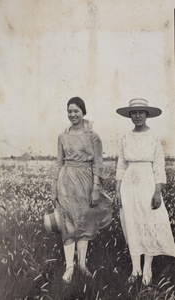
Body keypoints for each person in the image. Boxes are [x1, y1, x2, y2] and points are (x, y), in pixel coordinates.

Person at [51, 97, 112, 283]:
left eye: (76, 111)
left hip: (86, 182)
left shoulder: (93, 136)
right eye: (69, 111)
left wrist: (95, 188)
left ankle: (82, 264)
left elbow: (98, 163)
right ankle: (69, 266)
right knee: (67, 222)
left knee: (84, 221)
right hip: (66, 182)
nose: (72, 114)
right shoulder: (63, 136)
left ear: (83, 111)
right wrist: (54, 187)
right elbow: (59, 162)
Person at [115, 98, 175, 285]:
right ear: (130, 115)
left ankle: (147, 267)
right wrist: (117, 190)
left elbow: (158, 165)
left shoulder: (154, 136)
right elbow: (121, 164)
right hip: (128, 186)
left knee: (149, 221)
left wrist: (158, 191)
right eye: (134, 112)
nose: (138, 115)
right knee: (131, 222)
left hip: (148, 183)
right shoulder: (125, 137)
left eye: (142, 112)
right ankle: (135, 269)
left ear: (147, 114)